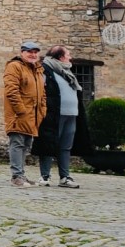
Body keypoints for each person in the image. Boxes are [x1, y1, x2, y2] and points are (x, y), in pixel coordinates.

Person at [33, 45, 87, 188]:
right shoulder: (46, 70)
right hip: (54, 113)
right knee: (48, 144)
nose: (70, 57)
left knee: (65, 147)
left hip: (71, 114)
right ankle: (45, 176)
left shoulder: (66, 71)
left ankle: (65, 177)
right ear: (60, 57)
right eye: (68, 54)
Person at [4, 41, 46, 188]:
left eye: (35, 52)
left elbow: (43, 93)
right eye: (29, 52)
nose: (33, 55)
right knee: (17, 143)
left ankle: (21, 174)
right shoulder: (14, 67)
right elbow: (11, 91)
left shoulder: (38, 70)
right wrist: (21, 110)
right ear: (22, 53)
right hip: (19, 114)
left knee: (26, 144)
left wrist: (43, 109)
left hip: (33, 115)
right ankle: (16, 176)